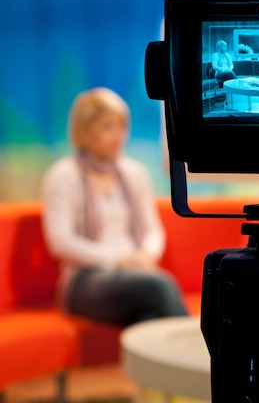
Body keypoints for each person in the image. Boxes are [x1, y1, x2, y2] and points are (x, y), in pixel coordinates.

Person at [42, 87, 188, 326]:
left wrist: (145, 256)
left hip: (136, 272)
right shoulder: (63, 175)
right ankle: (201, 360)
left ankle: (182, 360)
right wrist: (118, 259)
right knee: (160, 285)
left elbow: (152, 230)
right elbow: (60, 241)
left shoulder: (135, 173)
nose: (118, 135)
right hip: (86, 279)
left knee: (150, 317)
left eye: (121, 126)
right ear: (84, 132)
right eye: (107, 127)